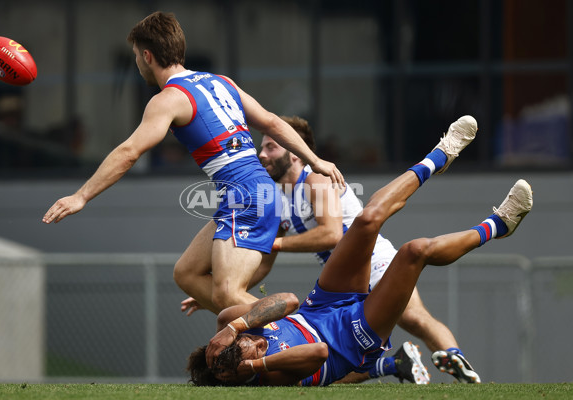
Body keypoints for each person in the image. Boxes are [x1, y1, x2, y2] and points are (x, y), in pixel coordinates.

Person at [186, 115, 534, 386]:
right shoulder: (267, 375)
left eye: (271, 147)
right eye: (247, 354)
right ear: (239, 376)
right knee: (415, 252)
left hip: (323, 300)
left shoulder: (307, 183)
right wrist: (256, 363)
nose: (256, 344)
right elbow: (319, 351)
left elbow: (290, 298)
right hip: (351, 335)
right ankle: (497, 226)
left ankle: (438, 156)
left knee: (368, 219)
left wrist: (235, 324)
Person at [41, 11, 343, 314]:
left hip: (246, 196)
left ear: (147, 56)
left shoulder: (168, 99)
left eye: (135, 56)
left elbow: (129, 152)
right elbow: (272, 122)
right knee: (186, 273)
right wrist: (314, 159)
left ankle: (303, 335)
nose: (135, 63)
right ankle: (253, 333)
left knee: (227, 295)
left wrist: (81, 196)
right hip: (250, 193)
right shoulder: (222, 82)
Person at [255, 115, 479, 383]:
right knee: (338, 363)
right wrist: (232, 282)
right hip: (343, 285)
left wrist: (274, 242)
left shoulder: (315, 179)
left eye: (271, 146)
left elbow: (330, 234)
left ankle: (455, 357)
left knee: (414, 318)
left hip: (373, 263)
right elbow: (266, 257)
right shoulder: (281, 199)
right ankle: (399, 363)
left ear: (295, 153)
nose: (261, 154)